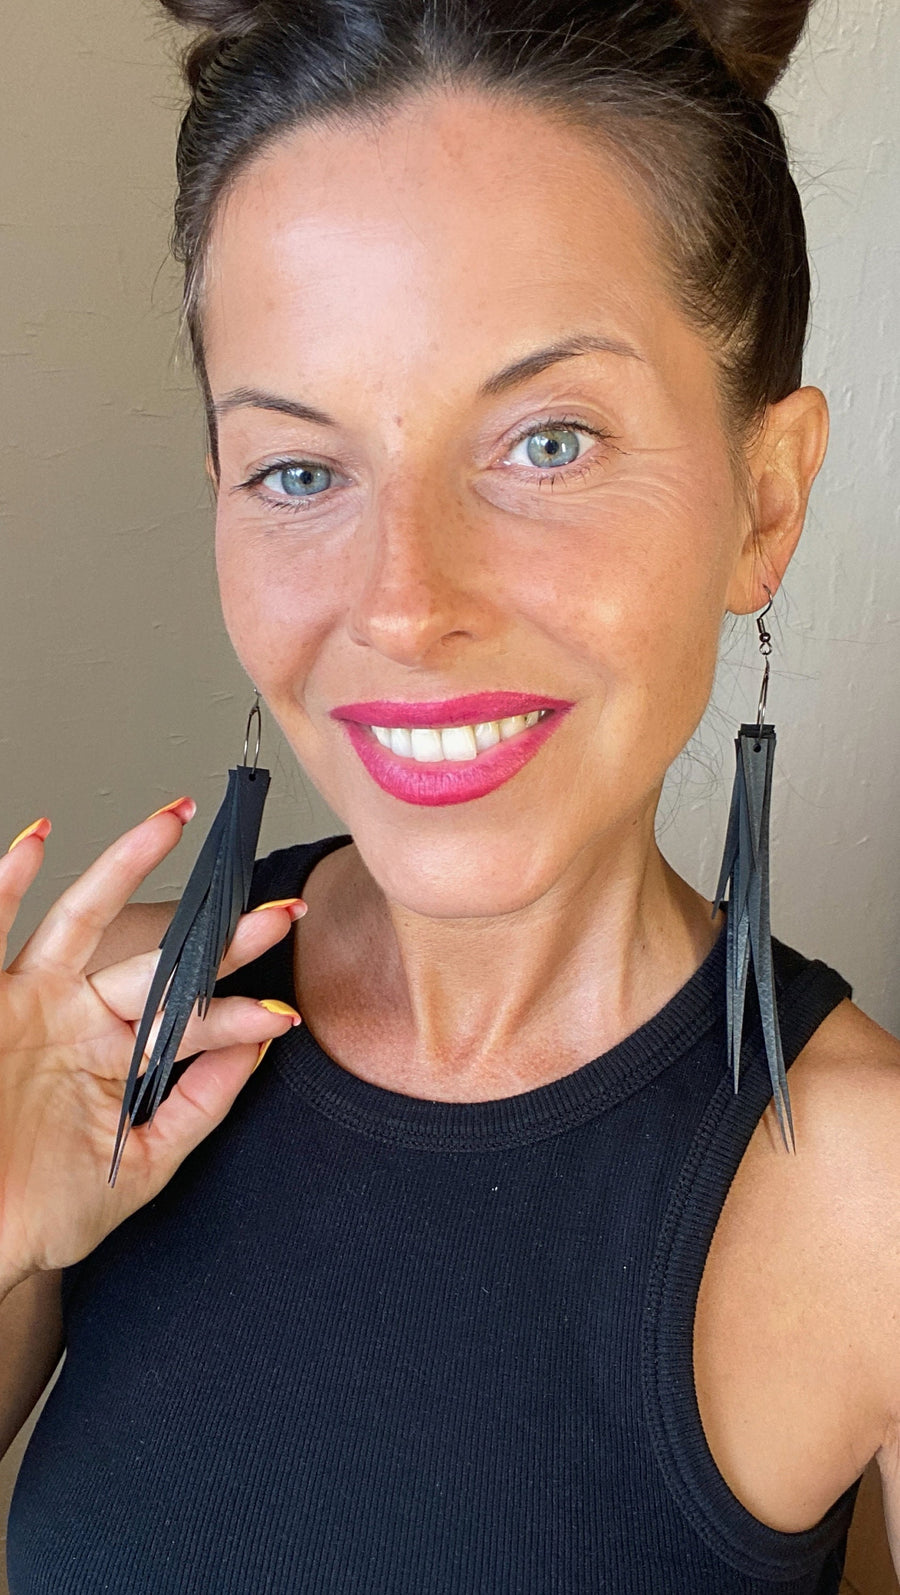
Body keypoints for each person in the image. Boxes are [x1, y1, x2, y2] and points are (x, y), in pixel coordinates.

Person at [1, 0, 898, 1588]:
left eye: (545, 442)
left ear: (767, 498)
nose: (405, 601)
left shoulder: (867, 1203)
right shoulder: (90, 1040)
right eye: (300, 470)